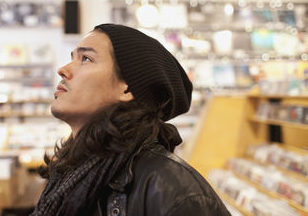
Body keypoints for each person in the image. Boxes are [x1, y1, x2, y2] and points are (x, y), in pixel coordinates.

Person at [31, 23, 230, 216]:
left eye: (86, 59)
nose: (63, 70)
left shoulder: (176, 192)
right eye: (72, 57)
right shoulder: (71, 170)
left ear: (127, 88)